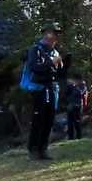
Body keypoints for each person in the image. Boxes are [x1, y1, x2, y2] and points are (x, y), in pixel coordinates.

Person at [22, 23, 63, 160]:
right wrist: (51, 63)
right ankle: (33, 150)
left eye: (56, 34)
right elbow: (34, 67)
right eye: (53, 33)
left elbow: (58, 72)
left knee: (49, 120)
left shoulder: (55, 52)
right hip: (39, 88)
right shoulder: (35, 50)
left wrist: (62, 65)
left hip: (52, 88)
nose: (55, 36)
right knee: (38, 119)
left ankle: (43, 149)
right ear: (46, 34)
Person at [65, 72, 89, 140]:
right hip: (70, 106)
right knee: (70, 123)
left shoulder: (82, 85)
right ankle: (70, 137)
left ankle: (79, 136)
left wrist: (74, 86)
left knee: (77, 122)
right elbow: (66, 94)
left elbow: (80, 93)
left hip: (77, 105)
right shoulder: (71, 86)